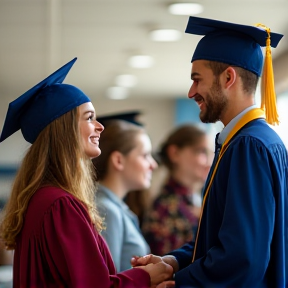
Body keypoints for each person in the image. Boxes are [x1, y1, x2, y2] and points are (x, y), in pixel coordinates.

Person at [132, 16, 288, 288]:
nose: (192, 92)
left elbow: (243, 257)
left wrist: (179, 283)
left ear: (228, 77)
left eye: (197, 79)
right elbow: (221, 237)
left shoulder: (247, 146)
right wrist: (174, 262)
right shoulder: (257, 141)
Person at [0, 58, 173, 288]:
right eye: (89, 117)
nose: (100, 126)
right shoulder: (59, 204)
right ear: (65, 129)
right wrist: (145, 277)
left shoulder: (41, 198)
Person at [92, 116, 157, 272]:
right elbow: (108, 279)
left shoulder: (114, 207)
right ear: (118, 160)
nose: (153, 164)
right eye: (145, 155)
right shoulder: (106, 209)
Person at [141, 124, 211, 256]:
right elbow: (166, 267)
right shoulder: (166, 208)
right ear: (175, 153)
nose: (207, 162)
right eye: (201, 152)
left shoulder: (193, 200)